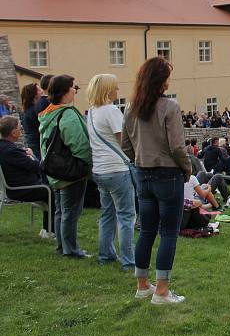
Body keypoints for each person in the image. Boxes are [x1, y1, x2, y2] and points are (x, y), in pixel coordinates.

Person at [121, 57, 192, 305]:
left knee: (147, 231)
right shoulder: (170, 107)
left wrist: (140, 158)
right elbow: (177, 146)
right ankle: (161, 290)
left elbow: (125, 145)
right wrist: (187, 168)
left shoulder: (131, 107)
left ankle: (142, 284)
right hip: (167, 173)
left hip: (143, 173)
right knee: (169, 233)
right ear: (160, 81)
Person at [39, 74, 93, 259]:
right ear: (65, 91)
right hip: (70, 172)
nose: (75, 90)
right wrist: (86, 165)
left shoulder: (48, 114)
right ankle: (71, 249)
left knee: (61, 211)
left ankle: (63, 246)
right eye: (73, 87)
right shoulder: (67, 114)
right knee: (70, 212)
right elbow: (79, 144)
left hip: (55, 172)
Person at [86, 73, 136, 270]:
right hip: (116, 169)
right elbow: (123, 140)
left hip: (100, 169)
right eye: (115, 87)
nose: (118, 90)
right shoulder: (111, 111)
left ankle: (106, 255)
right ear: (108, 90)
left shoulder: (92, 112)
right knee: (126, 216)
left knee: (107, 214)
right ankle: (128, 260)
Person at [0, 116, 55, 237]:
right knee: (52, 192)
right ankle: (50, 230)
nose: (21, 130)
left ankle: (47, 229)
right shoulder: (11, 150)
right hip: (22, 189)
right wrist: (32, 155)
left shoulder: (5, 148)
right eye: (19, 128)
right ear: (13, 132)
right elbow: (36, 166)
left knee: (48, 188)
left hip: (16, 187)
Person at [19, 83, 43, 159]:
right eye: (39, 90)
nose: (41, 91)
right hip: (37, 143)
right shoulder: (34, 110)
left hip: (32, 142)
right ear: (34, 94)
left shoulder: (26, 110)